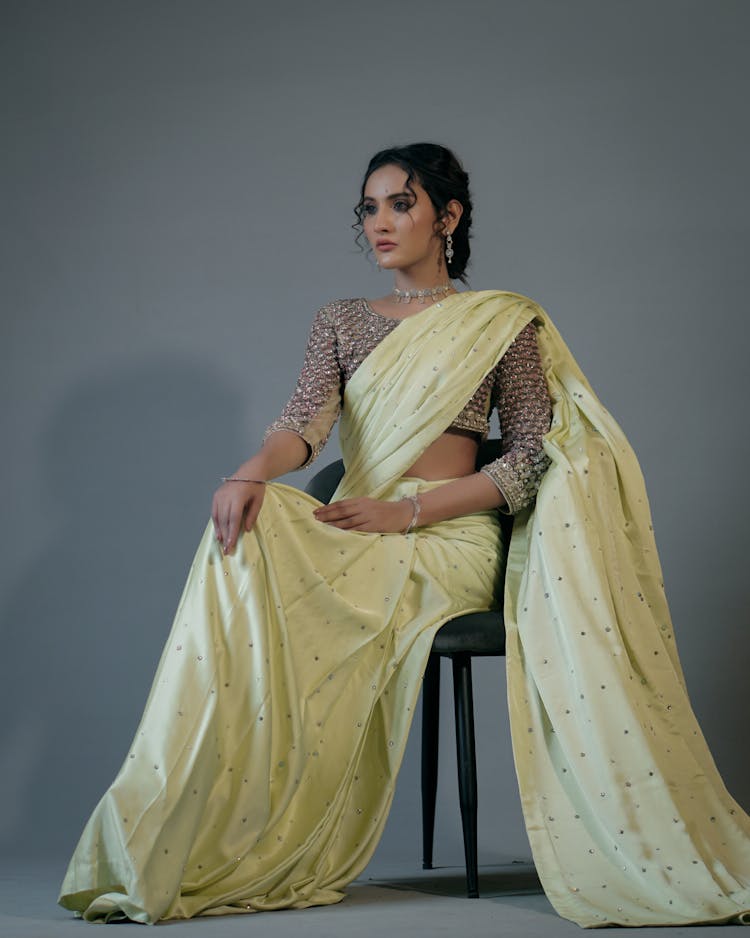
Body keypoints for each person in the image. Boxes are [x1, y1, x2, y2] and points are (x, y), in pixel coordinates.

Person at [58, 144, 750, 928]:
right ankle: (194, 815)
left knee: (293, 551)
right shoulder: (341, 321)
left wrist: (411, 511)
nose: (379, 223)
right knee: (251, 530)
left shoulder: (501, 322)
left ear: (447, 217)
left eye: (400, 204)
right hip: (357, 522)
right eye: (369, 207)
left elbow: (529, 459)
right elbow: (304, 426)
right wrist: (249, 473)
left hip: (446, 535)